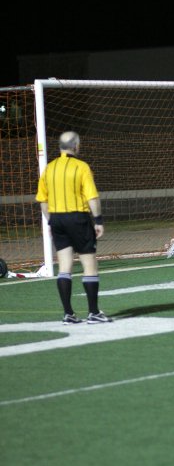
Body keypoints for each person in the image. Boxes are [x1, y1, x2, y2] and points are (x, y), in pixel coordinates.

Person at [36, 131, 112, 324]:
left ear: (60, 146)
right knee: (89, 265)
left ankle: (68, 314)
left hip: (57, 219)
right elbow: (92, 197)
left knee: (64, 267)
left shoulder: (49, 169)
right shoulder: (81, 167)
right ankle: (93, 312)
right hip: (78, 219)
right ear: (76, 145)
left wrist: (51, 221)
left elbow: (42, 201)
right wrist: (99, 220)